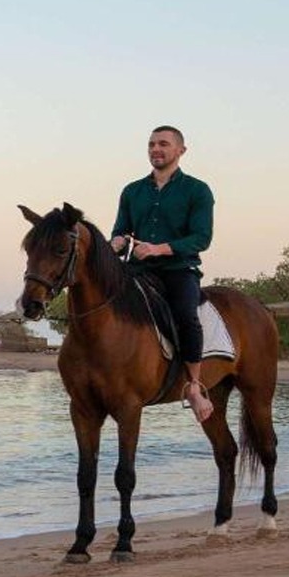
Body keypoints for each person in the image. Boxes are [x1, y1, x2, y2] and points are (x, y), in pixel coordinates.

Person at [109, 125, 216, 423]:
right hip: (137, 269)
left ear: (180, 150)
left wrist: (159, 249)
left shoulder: (197, 190)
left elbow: (201, 238)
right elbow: (121, 230)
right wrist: (117, 242)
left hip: (179, 269)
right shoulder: (132, 191)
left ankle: (194, 385)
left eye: (164, 144)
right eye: (152, 144)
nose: (156, 149)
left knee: (185, 315)